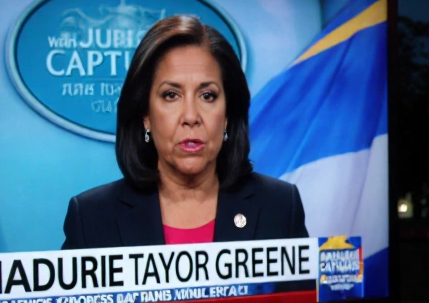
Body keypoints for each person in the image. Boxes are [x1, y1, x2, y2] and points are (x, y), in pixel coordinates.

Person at [62, 15, 307, 248]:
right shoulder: (91, 218)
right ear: (145, 115)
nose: (191, 117)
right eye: (171, 95)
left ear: (227, 115)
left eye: (207, 96)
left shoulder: (280, 207)